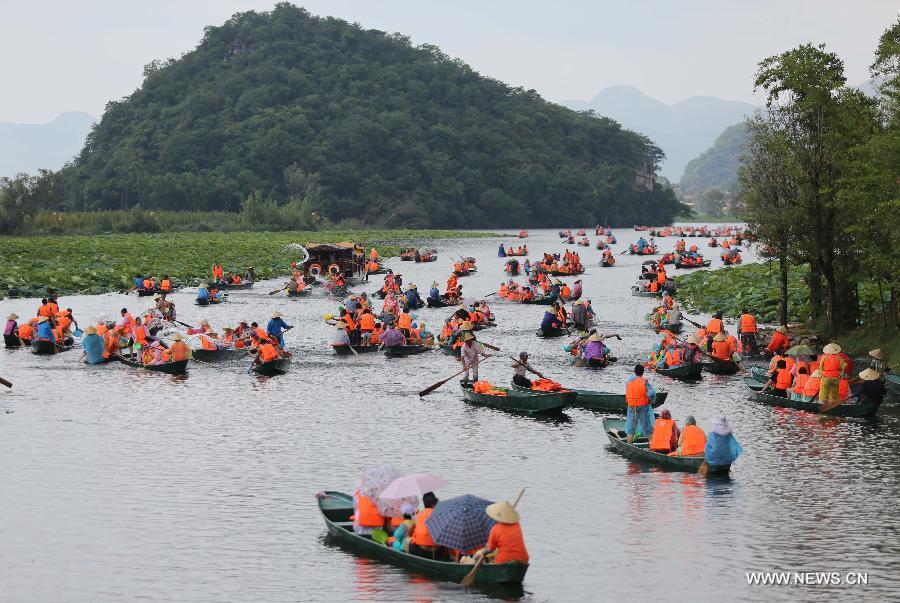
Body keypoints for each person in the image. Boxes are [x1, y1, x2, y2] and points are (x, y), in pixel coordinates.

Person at [474, 499, 529, 565]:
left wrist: (482, 553)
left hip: (504, 560)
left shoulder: (495, 529)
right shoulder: (517, 524)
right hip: (523, 558)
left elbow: (490, 549)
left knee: (490, 561)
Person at [625, 364, 656, 444]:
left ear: (634, 371)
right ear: (642, 373)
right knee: (648, 429)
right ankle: (652, 447)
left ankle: (629, 445)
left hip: (632, 407)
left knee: (631, 430)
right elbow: (651, 393)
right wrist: (651, 400)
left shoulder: (628, 381)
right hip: (643, 407)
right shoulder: (644, 382)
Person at [408, 492, 442, 559]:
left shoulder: (418, 515)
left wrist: (409, 537)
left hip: (421, 552)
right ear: (433, 505)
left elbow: (409, 531)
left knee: (407, 541)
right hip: (438, 553)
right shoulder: (441, 515)